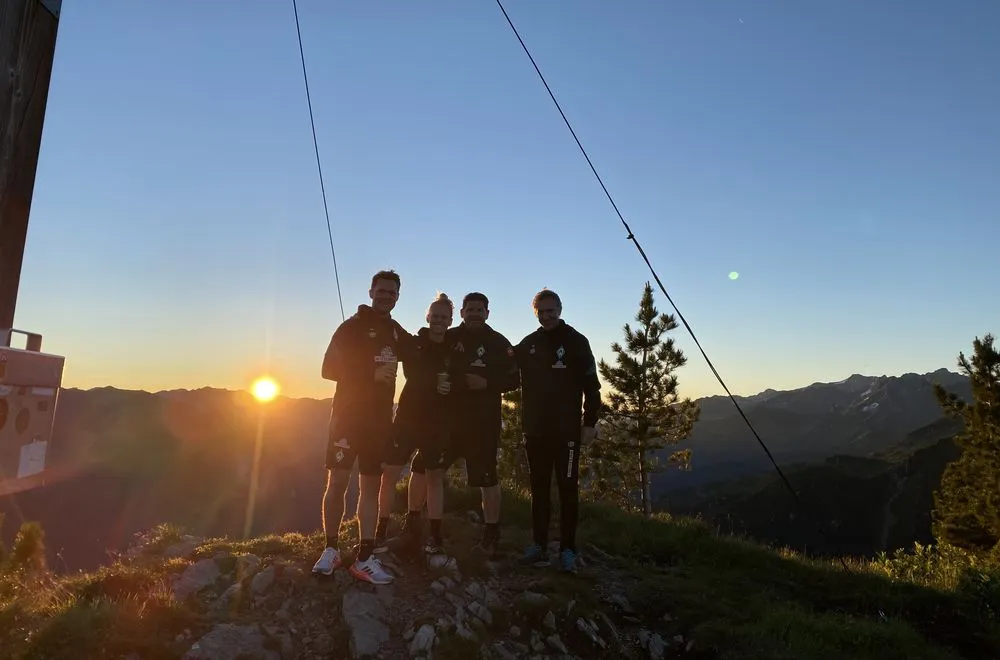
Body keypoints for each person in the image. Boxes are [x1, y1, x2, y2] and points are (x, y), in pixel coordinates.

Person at [311, 269, 411, 585]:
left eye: (392, 292)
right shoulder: (350, 328)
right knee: (338, 481)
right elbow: (328, 369)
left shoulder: (396, 331)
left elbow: (423, 353)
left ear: (397, 296)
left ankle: (365, 556)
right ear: (371, 292)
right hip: (346, 417)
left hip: (379, 422)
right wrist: (370, 374)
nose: (386, 296)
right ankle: (331, 550)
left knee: (370, 486)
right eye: (381, 291)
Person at [514, 289, 600, 573]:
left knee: (567, 491)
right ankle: (538, 545)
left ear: (560, 309)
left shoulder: (576, 342)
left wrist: (589, 424)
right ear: (535, 312)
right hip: (535, 431)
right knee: (538, 491)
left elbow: (592, 388)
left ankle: (568, 549)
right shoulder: (529, 344)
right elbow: (505, 367)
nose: (547, 315)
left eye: (552, 310)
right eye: (542, 311)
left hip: (567, 434)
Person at [429, 291, 519, 557]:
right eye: (470, 310)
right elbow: (429, 362)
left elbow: (516, 380)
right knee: (429, 470)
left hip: (483, 424)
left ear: (487, 313)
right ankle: (422, 525)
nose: (475, 314)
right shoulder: (450, 337)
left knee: (487, 479)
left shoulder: (498, 342)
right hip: (448, 423)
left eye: (480, 310)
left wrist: (488, 384)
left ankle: (492, 531)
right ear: (462, 313)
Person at [382, 292, 461, 555]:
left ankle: (435, 535)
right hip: (407, 418)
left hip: (438, 422)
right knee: (390, 473)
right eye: (435, 316)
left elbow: (460, 380)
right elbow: (401, 362)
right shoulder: (414, 344)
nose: (438, 321)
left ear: (450, 320)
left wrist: (451, 387)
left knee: (434, 477)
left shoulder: (454, 349)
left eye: (443, 317)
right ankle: (380, 530)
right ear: (428, 317)